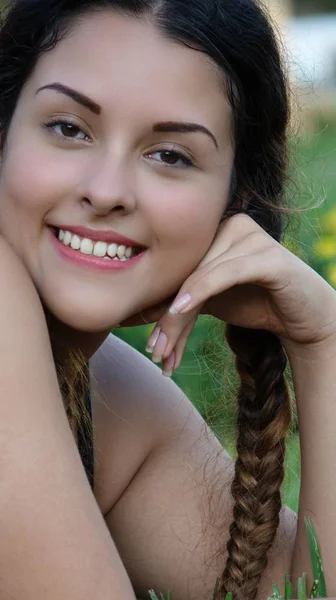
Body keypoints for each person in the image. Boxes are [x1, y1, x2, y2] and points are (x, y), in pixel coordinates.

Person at [0, 0, 335, 599]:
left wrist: (325, 341)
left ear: (236, 205)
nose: (106, 192)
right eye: (68, 128)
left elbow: (304, 589)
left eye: (169, 155)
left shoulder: (112, 397)